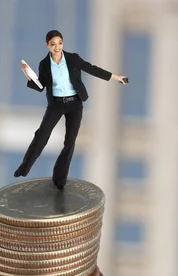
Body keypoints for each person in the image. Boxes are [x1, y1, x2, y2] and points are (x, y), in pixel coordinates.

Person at [14, 29, 128, 190]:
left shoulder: (73, 59)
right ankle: (24, 168)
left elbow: (92, 69)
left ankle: (60, 179)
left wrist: (116, 77)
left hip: (75, 104)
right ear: (47, 45)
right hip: (56, 104)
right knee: (41, 135)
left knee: (69, 142)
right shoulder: (44, 64)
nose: (57, 47)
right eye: (53, 44)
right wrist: (28, 75)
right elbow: (40, 86)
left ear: (63, 43)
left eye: (59, 43)